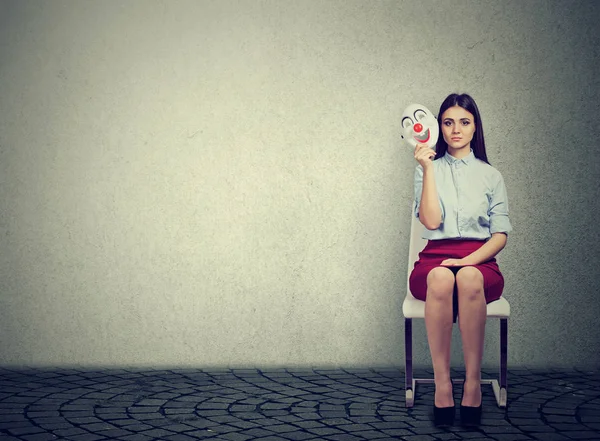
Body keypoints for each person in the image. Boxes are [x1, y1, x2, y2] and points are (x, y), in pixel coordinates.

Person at [409, 93, 512, 427]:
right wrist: (426, 168)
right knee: (440, 277)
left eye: (464, 122)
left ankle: (471, 384)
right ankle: (442, 384)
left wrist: (469, 260)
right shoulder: (427, 169)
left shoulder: (490, 175)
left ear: (475, 127)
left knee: (468, 278)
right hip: (435, 258)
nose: (456, 130)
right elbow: (430, 221)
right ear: (440, 127)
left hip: (481, 260)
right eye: (448, 122)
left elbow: (500, 235)